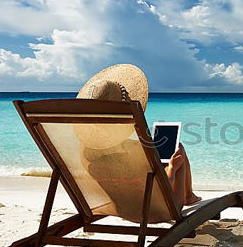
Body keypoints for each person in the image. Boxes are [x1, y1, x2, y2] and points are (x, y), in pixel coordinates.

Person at [76, 64, 201, 207]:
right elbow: (155, 190)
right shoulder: (129, 156)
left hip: (119, 207)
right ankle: (188, 196)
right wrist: (172, 168)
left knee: (155, 153)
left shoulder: (88, 152)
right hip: (154, 208)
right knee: (177, 148)